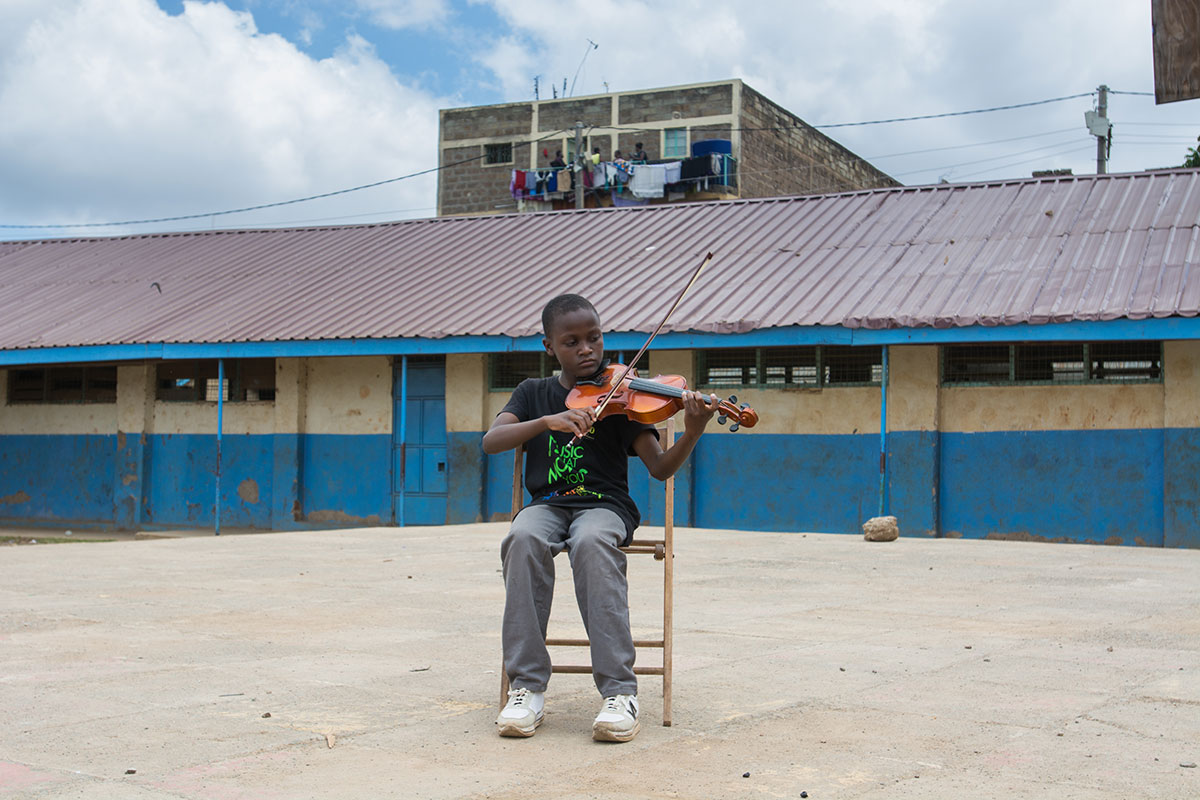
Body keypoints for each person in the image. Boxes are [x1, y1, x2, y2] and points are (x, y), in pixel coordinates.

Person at [483, 294, 717, 742]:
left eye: (594, 337)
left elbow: (661, 468)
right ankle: (526, 687)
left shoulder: (625, 394)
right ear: (550, 346)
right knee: (522, 539)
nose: (587, 349)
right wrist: (546, 421)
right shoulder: (533, 393)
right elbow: (492, 441)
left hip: (605, 506)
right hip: (548, 505)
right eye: (572, 342)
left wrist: (692, 431)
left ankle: (619, 692)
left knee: (591, 542)